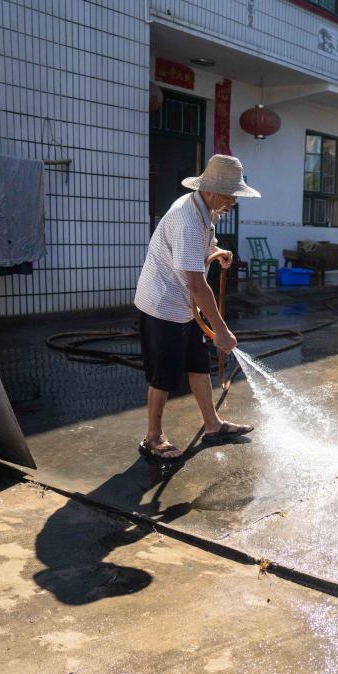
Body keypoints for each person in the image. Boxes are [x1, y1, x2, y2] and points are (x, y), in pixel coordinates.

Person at [134, 154, 260, 462]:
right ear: (214, 191)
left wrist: (219, 251)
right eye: (230, 195)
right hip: (163, 304)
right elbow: (197, 284)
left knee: (198, 363)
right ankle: (152, 437)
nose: (233, 201)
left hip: (184, 304)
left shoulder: (205, 210)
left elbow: (201, 250)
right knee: (164, 375)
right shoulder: (188, 220)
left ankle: (213, 424)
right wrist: (221, 330)